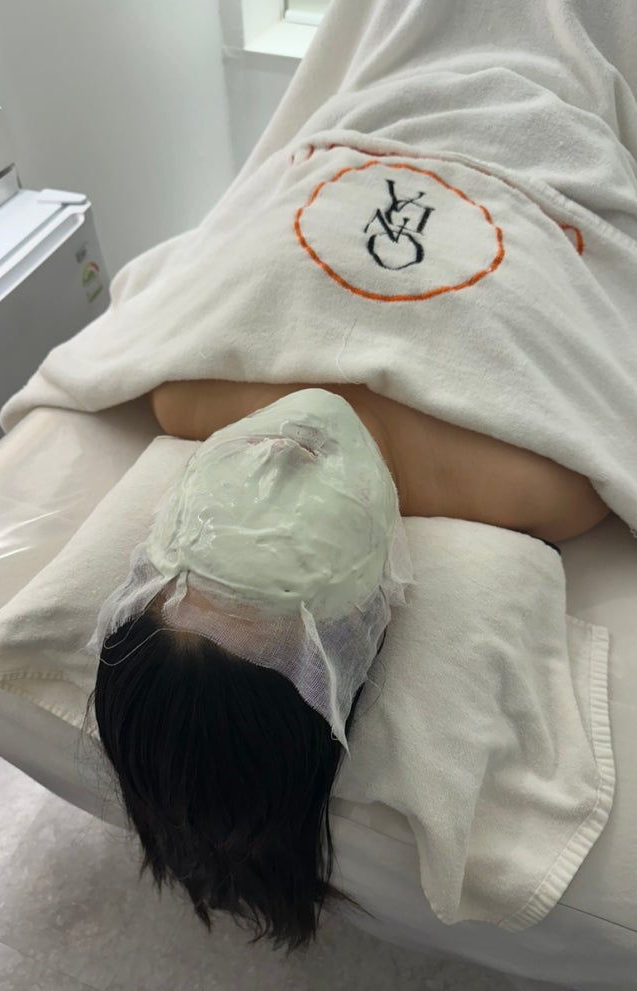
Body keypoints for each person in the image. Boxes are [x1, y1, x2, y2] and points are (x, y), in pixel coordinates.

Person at [84, 380, 609, 957]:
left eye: (204, 560)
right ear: (370, 620)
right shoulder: (539, 487)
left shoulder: (184, 398)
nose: (279, 465)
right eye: (279, 566)